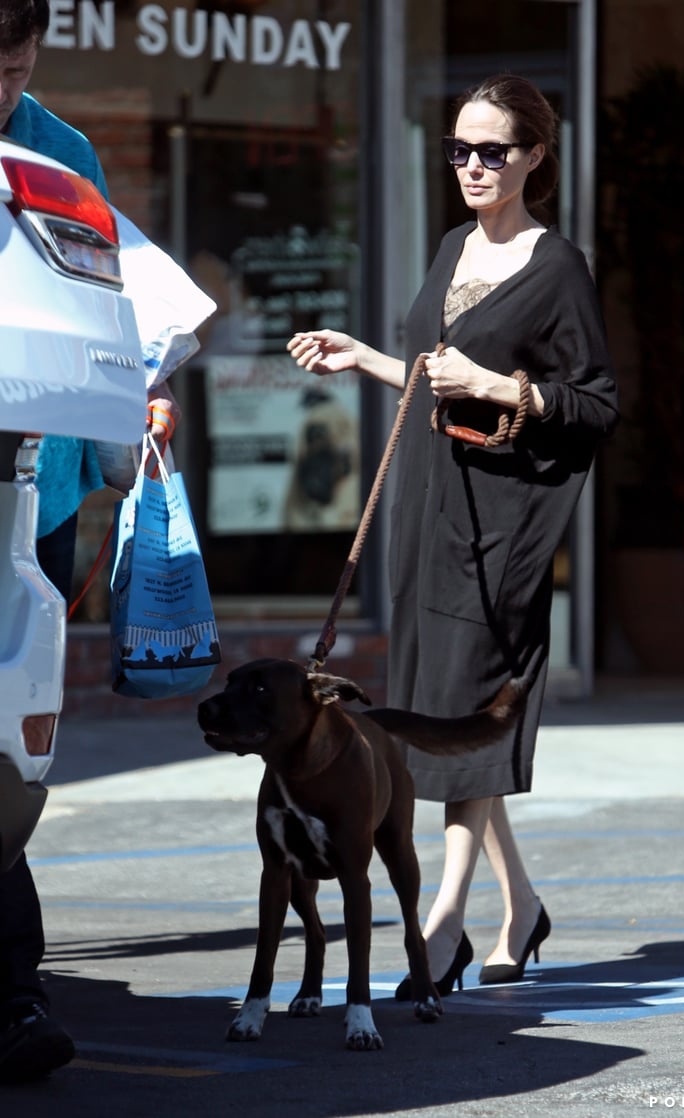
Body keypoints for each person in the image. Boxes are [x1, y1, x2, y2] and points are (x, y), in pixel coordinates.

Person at [287, 74, 618, 997]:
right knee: (444, 718)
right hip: (430, 511)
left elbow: (596, 405)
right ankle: (525, 907)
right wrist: (367, 358)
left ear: (535, 158)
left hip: (504, 526)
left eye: (494, 151)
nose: (473, 165)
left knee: (468, 711)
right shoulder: (450, 246)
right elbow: (440, 381)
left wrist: (503, 387)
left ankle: (446, 922)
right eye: (460, 149)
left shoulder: (558, 269)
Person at [0, 0, 179, 1082]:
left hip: (38, 493)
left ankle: (16, 989)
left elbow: (110, 308)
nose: (0, 93)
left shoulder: (61, 154)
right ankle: (17, 988)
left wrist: (140, 385)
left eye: (15, 67)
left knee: (14, 755)